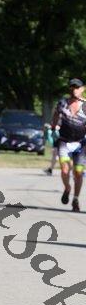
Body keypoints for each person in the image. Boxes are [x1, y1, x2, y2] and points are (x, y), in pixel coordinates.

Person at [51, 78, 86, 212]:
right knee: (65, 170)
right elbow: (56, 114)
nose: (74, 90)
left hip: (81, 143)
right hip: (64, 141)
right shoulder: (62, 103)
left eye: (77, 87)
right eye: (72, 87)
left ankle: (75, 199)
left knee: (78, 172)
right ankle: (67, 188)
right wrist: (53, 128)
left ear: (82, 89)